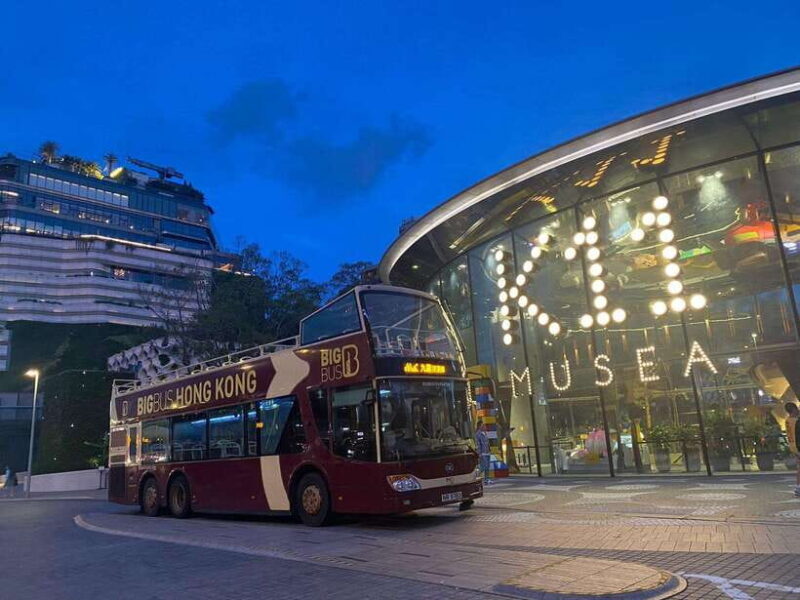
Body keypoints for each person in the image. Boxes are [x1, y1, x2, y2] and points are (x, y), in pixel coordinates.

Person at [785, 402, 799, 498]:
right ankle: (798, 488)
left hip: (793, 446)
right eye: (796, 408)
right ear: (794, 410)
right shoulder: (796, 421)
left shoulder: (788, 420)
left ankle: (798, 487)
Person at [475, 420, 492, 485]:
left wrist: (489, 450)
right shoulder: (478, 434)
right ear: (480, 426)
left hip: (487, 452)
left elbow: (487, 442)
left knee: (487, 467)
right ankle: (476, 476)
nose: (484, 426)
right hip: (483, 453)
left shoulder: (485, 433)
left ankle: (487, 479)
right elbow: (478, 444)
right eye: (483, 425)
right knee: (483, 466)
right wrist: (479, 453)